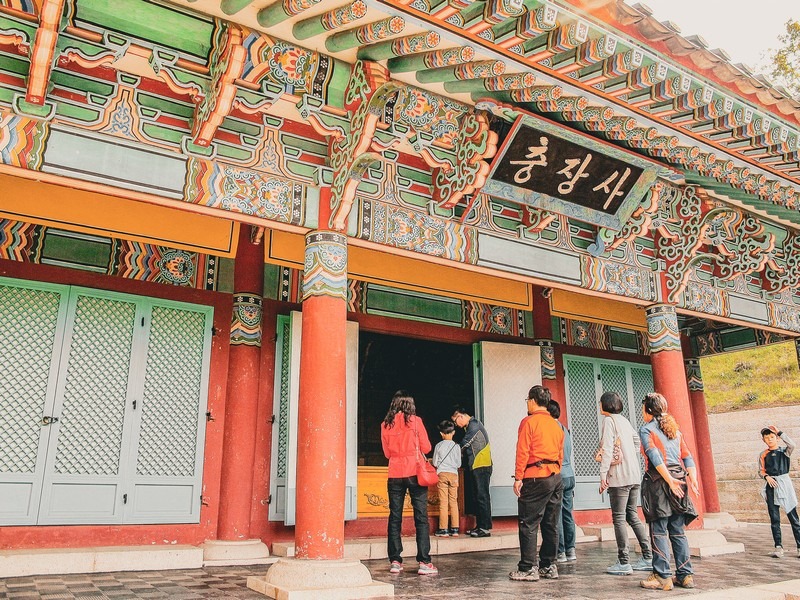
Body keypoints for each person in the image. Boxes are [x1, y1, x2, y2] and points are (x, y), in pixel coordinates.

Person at [638, 392, 699, 591]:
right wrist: (693, 479)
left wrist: (669, 480)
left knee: (658, 530)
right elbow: (687, 457)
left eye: (643, 408)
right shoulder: (675, 430)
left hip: (659, 482)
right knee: (678, 531)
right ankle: (685, 574)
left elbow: (655, 457)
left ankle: (662, 576)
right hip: (678, 479)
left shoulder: (647, 430)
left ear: (648, 410)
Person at [509, 385, 564, 582]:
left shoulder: (529, 422)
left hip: (535, 475)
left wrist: (518, 478)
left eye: (527, 400)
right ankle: (548, 566)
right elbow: (560, 453)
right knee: (550, 523)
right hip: (556, 476)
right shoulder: (555, 425)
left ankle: (527, 568)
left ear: (532, 401)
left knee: (528, 522)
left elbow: (522, 451)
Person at [381, 390, 438, 575]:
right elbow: (427, 447)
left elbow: (387, 454)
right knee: (421, 517)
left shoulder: (385, 424)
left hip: (395, 472)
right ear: (410, 405)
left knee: (395, 517)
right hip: (414, 471)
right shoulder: (416, 422)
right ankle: (424, 562)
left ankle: (395, 561)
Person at [598, 391, 653, 575]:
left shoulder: (608, 421)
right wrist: (631, 453)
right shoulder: (624, 420)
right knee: (632, 515)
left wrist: (603, 475)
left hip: (619, 477)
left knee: (619, 518)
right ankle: (647, 556)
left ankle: (624, 561)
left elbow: (606, 449)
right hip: (634, 475)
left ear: (605, 405)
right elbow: (637, 440)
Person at [757, 425, 800, 558]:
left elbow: (792, 444)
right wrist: (766, 477)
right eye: (767, 438)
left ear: (777, 438)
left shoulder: (784, 451)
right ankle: (778, 546)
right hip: (771, 486)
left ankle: (799, 546)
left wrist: (780, 432)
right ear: (763, 440)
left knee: (793, 517)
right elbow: (761, 470)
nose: (770, 440)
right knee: (774, 518)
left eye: (772, 437)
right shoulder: (763, 454)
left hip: (784, 484)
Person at [451, 406, 493, 537]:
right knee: (478, 496)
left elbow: (464, 443)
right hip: (476, 465)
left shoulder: (474, 426)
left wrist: (449, 451)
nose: (455, 425)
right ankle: (480, 526)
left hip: (482, 465)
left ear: (461, 416)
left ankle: (485, 528)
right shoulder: (470, 426)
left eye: (455, 421)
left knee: (482, 496)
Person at [547, 400, 576, 563]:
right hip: (569, 473)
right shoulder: (565, 429)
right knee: (567, 513)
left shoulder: (551, 429)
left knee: (555, 513)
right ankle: (571, 549)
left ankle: (560, 550)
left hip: (558, 474)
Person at [432, 419, 462, 537]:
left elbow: (435, 462)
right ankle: (455, 529)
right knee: (453, 502)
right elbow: (459, 464)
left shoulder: (438, 446)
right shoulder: (457, 446)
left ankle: (443, 529)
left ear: (441, 433)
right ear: (453, 432)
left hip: (442, 474)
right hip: (454, 475)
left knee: (443, 503)